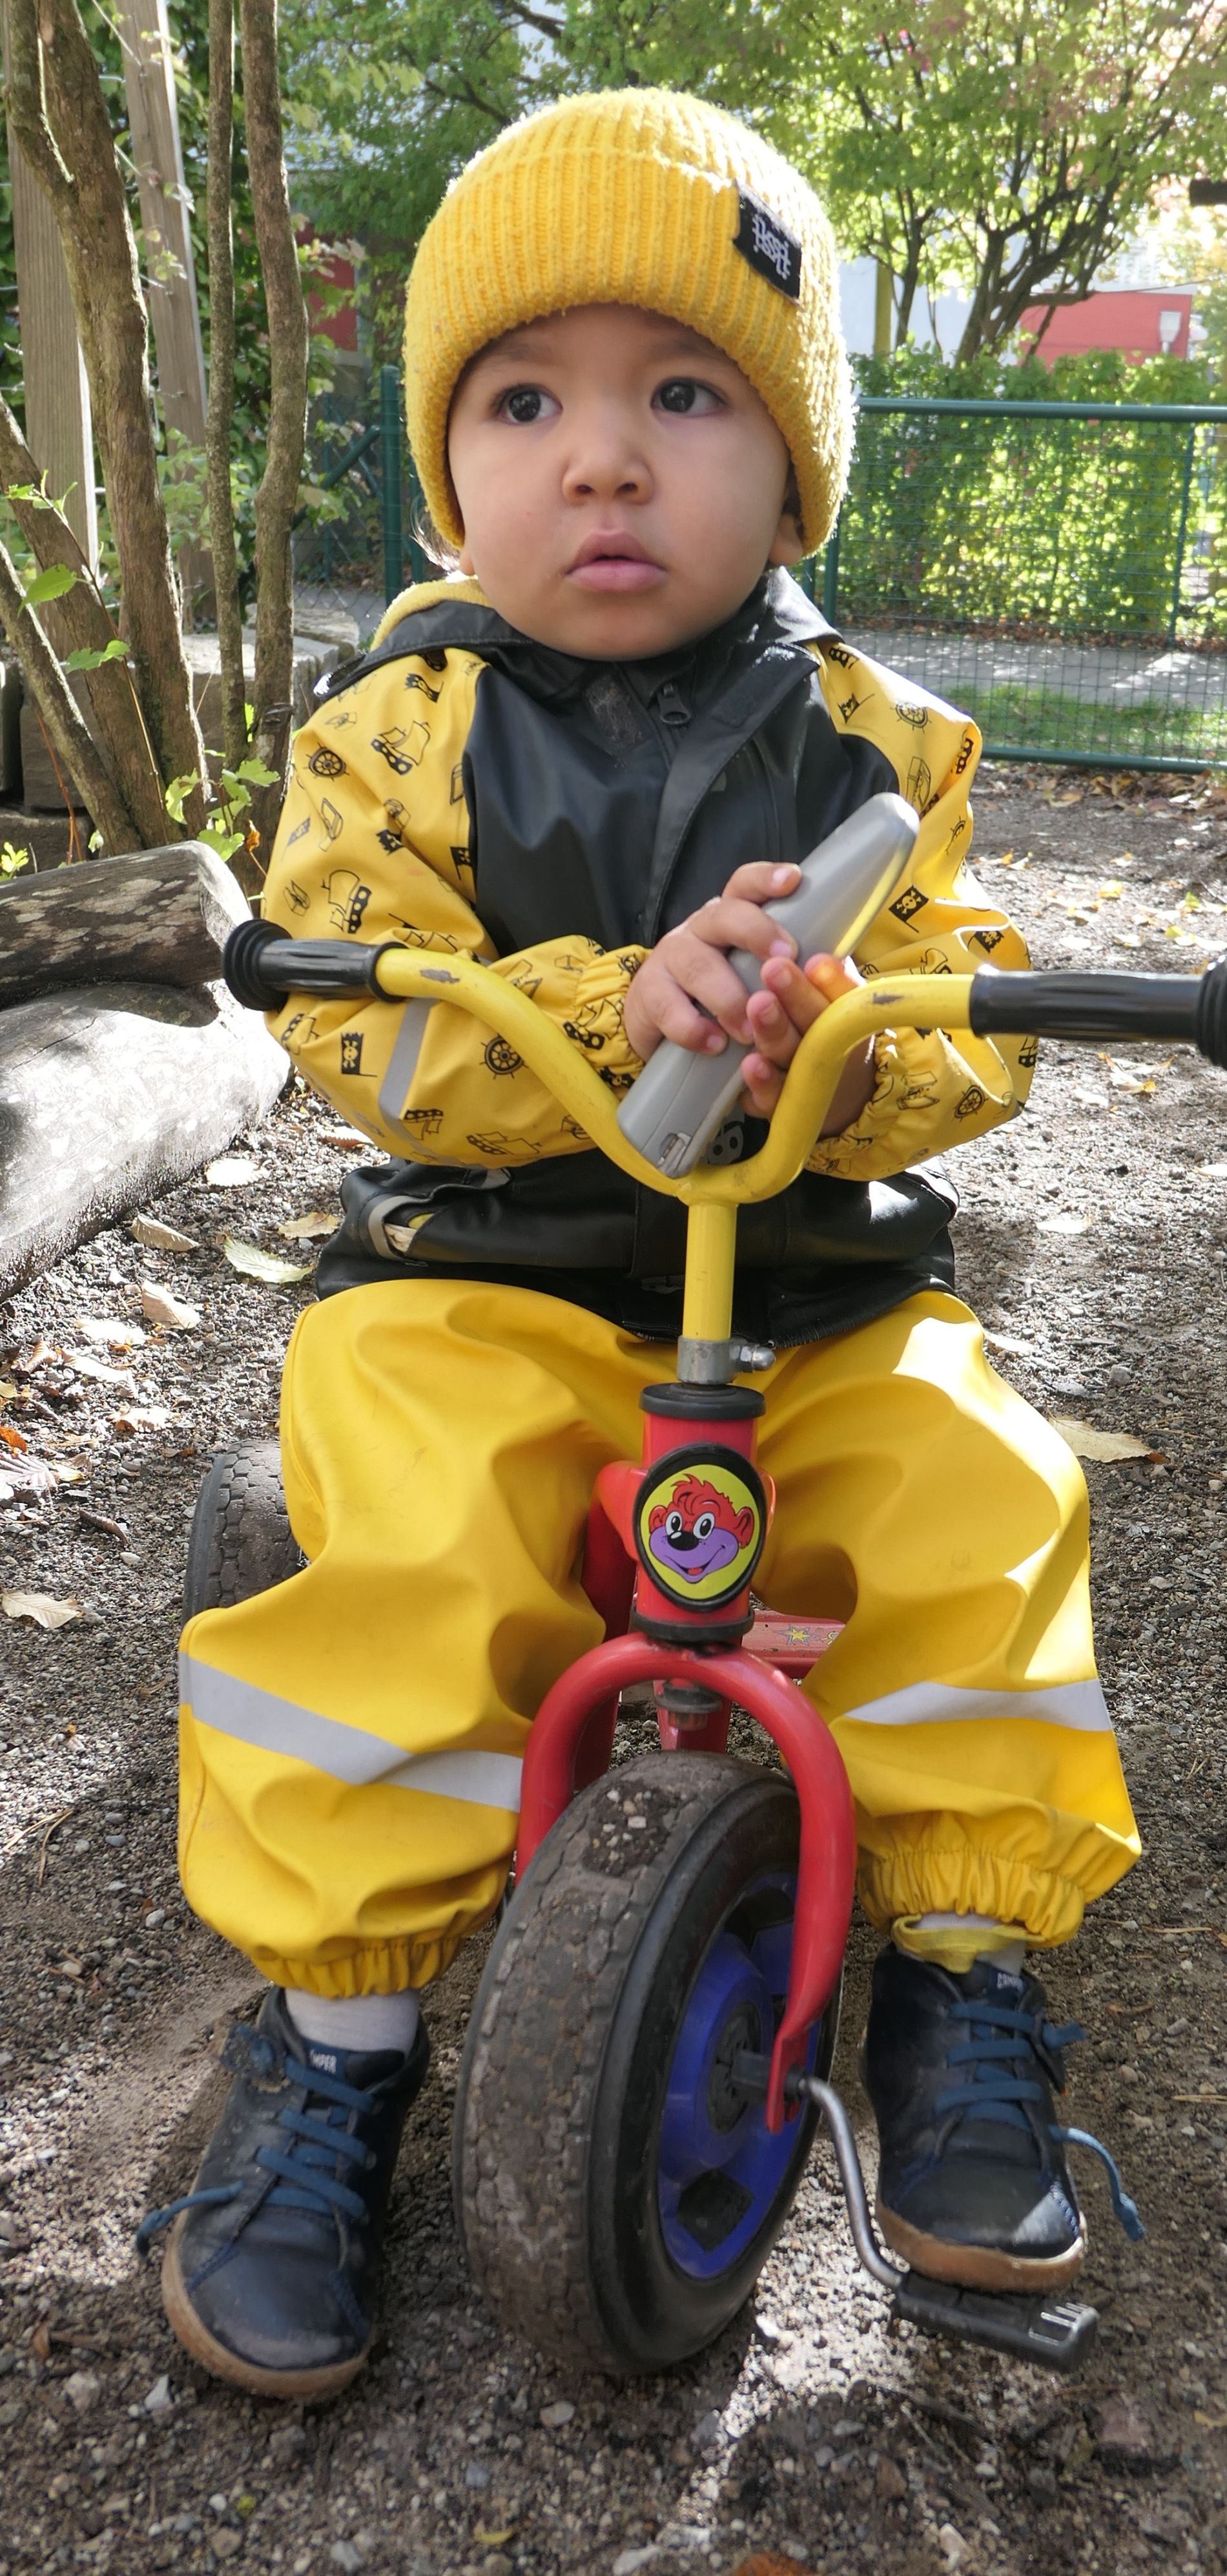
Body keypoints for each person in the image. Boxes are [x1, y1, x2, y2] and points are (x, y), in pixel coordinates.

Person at [147, 88, 1142, 2399]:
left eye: (683, 396)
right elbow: (349, 1000)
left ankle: (962, 1978)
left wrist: (855, 1045)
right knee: (402, 1525)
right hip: (488, 1273)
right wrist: (613, 1007)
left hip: (813, 1295)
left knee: (983, 1495)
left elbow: (972, 999)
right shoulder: (394, 729)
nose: (600, 461)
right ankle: (333, 2036)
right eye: (524, 404)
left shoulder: (882, 736)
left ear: (793, 473)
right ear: (446, 475)